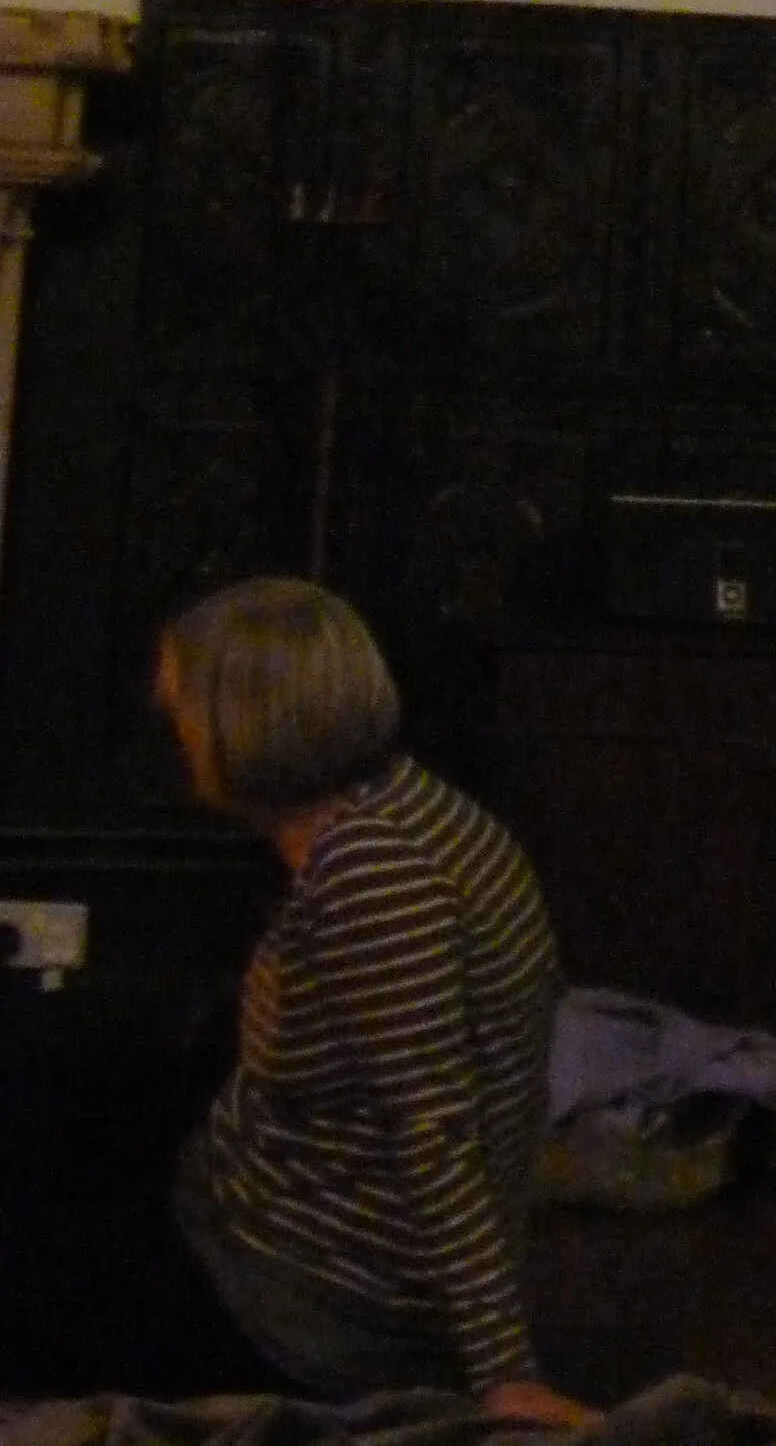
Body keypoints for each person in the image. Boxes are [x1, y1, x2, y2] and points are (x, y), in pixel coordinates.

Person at [155, 577, 581, 1419]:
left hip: (309, 1301)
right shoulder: (396, 804)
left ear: (249, 721)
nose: (178, 731)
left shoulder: (377, 873)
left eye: (185, 710)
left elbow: (433, 1127)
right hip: (264, 1214)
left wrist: (504, 1370)